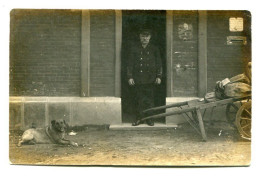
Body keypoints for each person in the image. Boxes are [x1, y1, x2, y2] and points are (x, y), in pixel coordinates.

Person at [127, 28, 162, 126]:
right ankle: (139, 119)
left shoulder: (154, 49)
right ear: (139, 37)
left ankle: (150, 119)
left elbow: (159, 64)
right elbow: (130, 64)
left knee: (149, 100)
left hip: (151, 79)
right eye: (143, 36)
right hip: (138, 79)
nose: (145, 38)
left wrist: (159, 76)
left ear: (150, 37)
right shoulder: (134, 48)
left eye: (147, 36)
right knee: (139, 100)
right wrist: (130, 77)